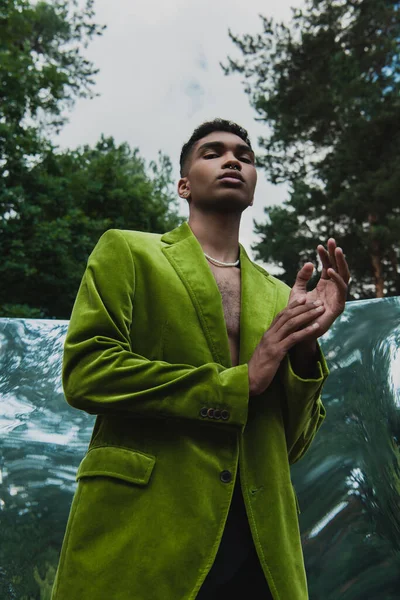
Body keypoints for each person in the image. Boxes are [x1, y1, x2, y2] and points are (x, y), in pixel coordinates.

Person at [51, 119, 350, 600]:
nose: (233, 160)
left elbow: (289, 446)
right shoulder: (129, 251)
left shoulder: (282, 295)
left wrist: (305, 343)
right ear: (184, 184)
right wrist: (236, 384)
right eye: (213, 153)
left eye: (245, 157)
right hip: (145, 529)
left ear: (253, 188)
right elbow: (87, 372)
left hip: (261, 543)